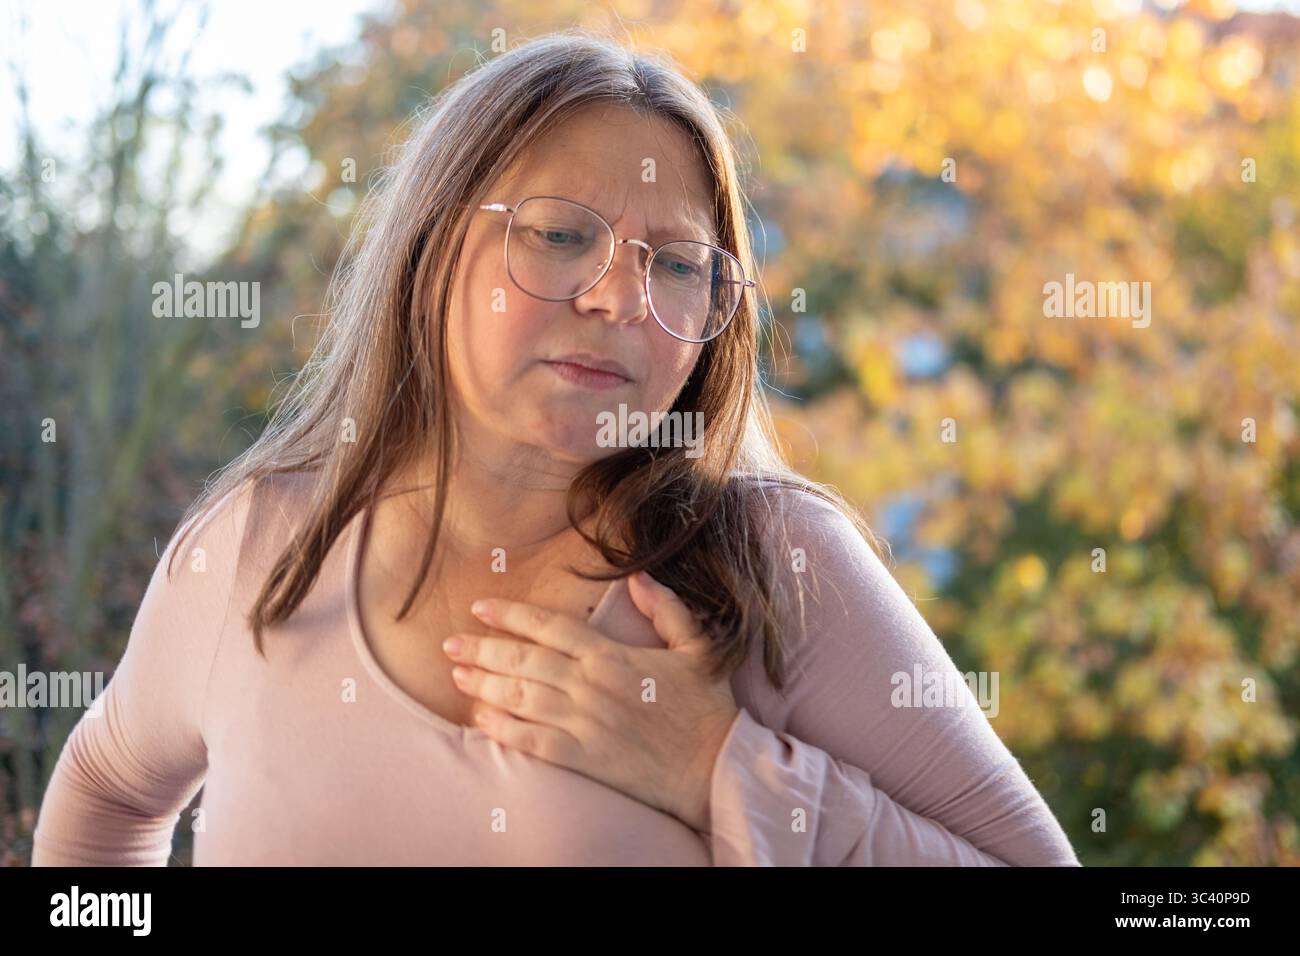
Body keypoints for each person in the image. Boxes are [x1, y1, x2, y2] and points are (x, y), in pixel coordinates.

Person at [32, 30, 1079, 866]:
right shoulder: (254, 547)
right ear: (430, 246)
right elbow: (110, 787)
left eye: (675, 263)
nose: (621, 295)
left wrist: (721, 764)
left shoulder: (771, 564)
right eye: (560, 233)